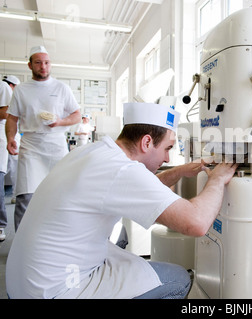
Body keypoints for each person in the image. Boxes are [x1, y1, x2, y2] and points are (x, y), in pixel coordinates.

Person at [6, 102, 237, 299]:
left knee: (124, 255)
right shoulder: (121, 169)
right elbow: (196, 222)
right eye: (167, 148)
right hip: (57, 289)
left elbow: (137, 186)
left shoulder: (95, 152)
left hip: (25, 281)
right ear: (147, 142)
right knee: (177, 279)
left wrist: (178, 172)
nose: (167, 157)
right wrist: (217, 180)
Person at [5, 46, 81, 231]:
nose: (43, 67)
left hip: (55, 145)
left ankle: (57, 236)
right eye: (38, 63)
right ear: (30, 65)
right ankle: (21, 244)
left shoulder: (61, 88)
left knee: (60, 193)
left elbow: (77, 115)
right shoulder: (21, 90)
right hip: (30, 145)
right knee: (26, 196)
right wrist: (10, 138)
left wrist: (60, 122)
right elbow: (12, 118)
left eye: (46, 63)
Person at [0, 75, 20, 241]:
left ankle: (1, 225)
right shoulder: (6, 88)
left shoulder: (4, 88)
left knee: (11, 170)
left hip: (6, 139)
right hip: (9, 139)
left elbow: (5, 114)